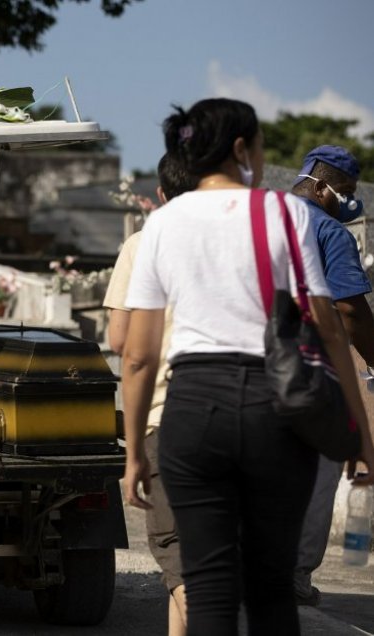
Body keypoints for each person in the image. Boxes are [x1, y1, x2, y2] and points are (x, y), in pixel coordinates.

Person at [121, 97, 374, 635]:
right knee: (271, 588)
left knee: (208, 589)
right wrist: (360, 432)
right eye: (259, 144)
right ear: (241, 149)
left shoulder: (165, 223)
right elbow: (329, 326)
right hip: (274, 413)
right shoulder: (286, 214)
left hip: (191, 413)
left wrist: (133, 455)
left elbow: (138, 354)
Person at [103, 153, 198, 636]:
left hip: (171, 415)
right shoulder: (243, 246)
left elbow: (125, 346)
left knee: (179, 556)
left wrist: (134, 450)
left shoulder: (143, 245)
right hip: (245, 414)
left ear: (160, 194)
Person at [289, 145, 373, 606]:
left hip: (236, 370)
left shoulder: (259, 216)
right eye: (345, 192)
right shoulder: (328, 231)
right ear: (321, 185)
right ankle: (294, 576)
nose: (349, 202)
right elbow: (349, 309)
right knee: (317, 480)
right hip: (307, 376)